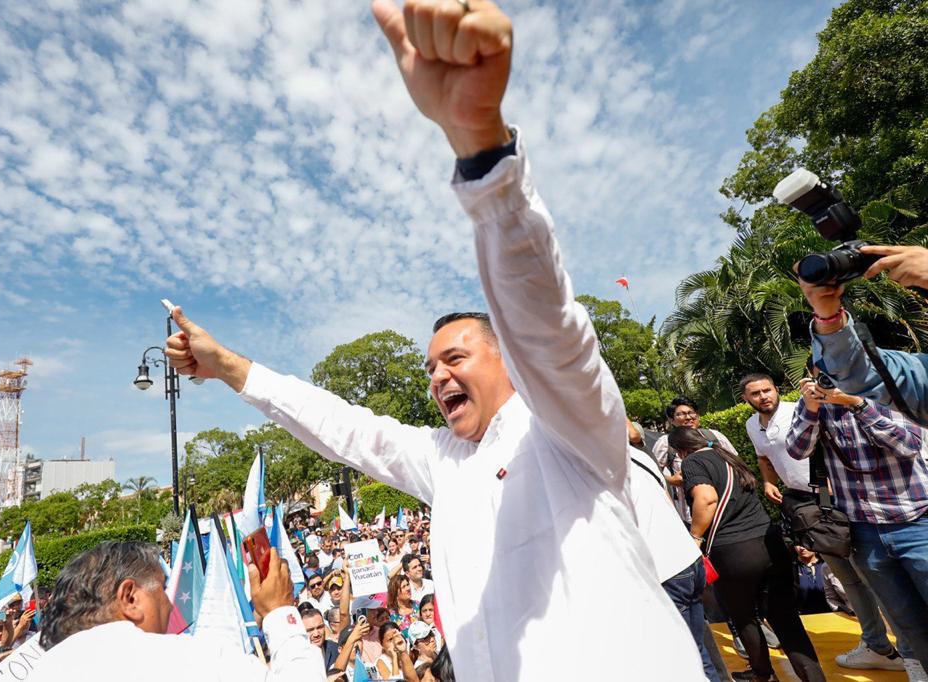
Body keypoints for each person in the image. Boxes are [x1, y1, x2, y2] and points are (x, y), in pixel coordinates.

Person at [162, 1, 704, 679]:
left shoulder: (567, 424)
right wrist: (232, 368)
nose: (439, 377)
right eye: (429, 368)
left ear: (509, 359)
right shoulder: (442, 462)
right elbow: (345, 429)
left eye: (455, 358)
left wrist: (482, 150)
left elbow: (547, 323)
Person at [740, 372, 911, 674]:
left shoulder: (800, 410)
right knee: (847, 578)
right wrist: (768, 481)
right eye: (756, 393)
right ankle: (878, 646)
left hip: (836, 500)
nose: (763, 396)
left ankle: (909, 651)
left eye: (767, 390)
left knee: (872, 576)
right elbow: (764, 458)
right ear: (745, 398)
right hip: (807, 507)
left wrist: (835, 488)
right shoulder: (752, 425)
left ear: (776, 389)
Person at [785, 364, 928, 671]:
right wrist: (811, 408)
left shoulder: (889, 393)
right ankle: (917, 666)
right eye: (822, 374)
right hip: (863, 530)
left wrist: (857, 404)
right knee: (903, 616)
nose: (831, 380)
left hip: (915, 521)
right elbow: (797, 450)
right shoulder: (813, 406)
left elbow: (909, 444)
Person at [29, 541, 323, 681]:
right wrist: (280, 612)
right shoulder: (189, 659)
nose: (170, 604)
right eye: (161, 587)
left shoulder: (37, 675)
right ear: (130, 598)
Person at [671, 426, 826, 682]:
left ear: (680, 450)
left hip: (733, 552)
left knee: (744, 616)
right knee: (785, 616)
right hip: (769, 542)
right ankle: (814, 676)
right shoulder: (728, 456)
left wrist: (695, 536)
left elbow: (706, 498)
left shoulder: (693, 462)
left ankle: (763, 674)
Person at [626, 440, 721, 682]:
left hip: (663, 570)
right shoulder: (639, 457)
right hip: (687, 559)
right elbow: (667, 501)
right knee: (697, 650)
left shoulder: (598, 472)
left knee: (680, 659)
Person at [800, 271, 928, 424]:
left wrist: (858, 404)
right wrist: (827, 312)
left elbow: (905, 440)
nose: (832, 381)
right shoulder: (920, 372)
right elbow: (863, 369)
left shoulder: (874, 399)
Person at [652, 396, 741, 522]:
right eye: (681, 414)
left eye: (691, 412)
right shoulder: (666, 443)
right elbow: (652, 472)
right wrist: (671, 480)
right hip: (692, 515)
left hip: (729, 507)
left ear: (698, 415)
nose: (688, 417)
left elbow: (737, 463)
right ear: (672, 420)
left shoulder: (715, 436)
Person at [299, 606, 341, 673]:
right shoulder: (296, 657)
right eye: (310, 630)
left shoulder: (336, 649)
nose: (316, 634)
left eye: (319, 627)